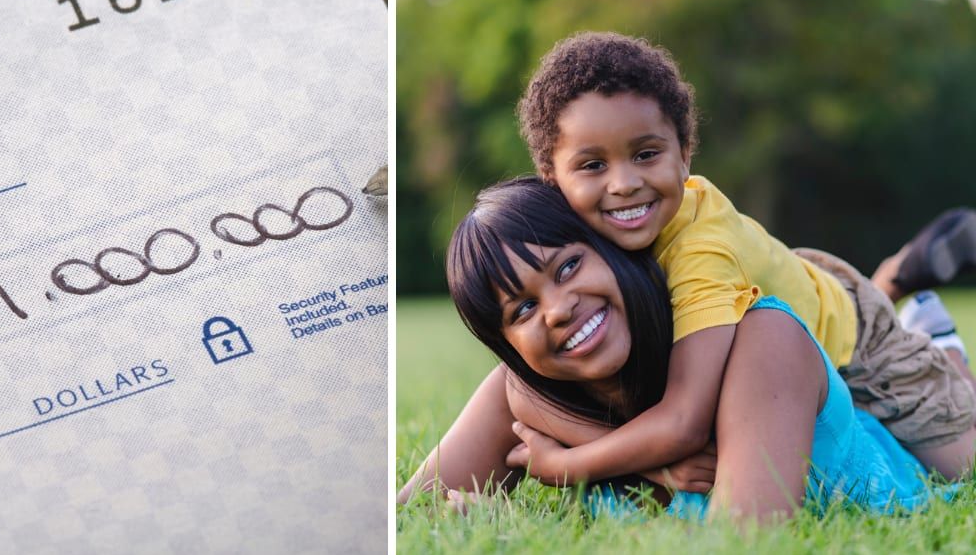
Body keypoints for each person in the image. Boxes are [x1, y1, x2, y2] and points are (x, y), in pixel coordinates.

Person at [510, 31, 976, 484]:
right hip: (782, 278)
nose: (624, 183)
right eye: (593, 165)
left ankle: (941, 348)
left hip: (859, 351)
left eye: (647, 154)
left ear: (685, 154)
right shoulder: (578, 245)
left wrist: (567, 465)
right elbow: (516, 385)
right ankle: (892, 284)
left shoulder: (700, 253)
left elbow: (683, 422)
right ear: (550, 176)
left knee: (963, 469)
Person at [398, 177, 951, 520]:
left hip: (873, 400)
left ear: (615, 247)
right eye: (520, 310)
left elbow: (740, 541)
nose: (557, 309)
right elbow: (405, 518)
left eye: (569, 265)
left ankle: (933, 336)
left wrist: (567, 468)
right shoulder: (525, 396)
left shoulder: (763, 342)